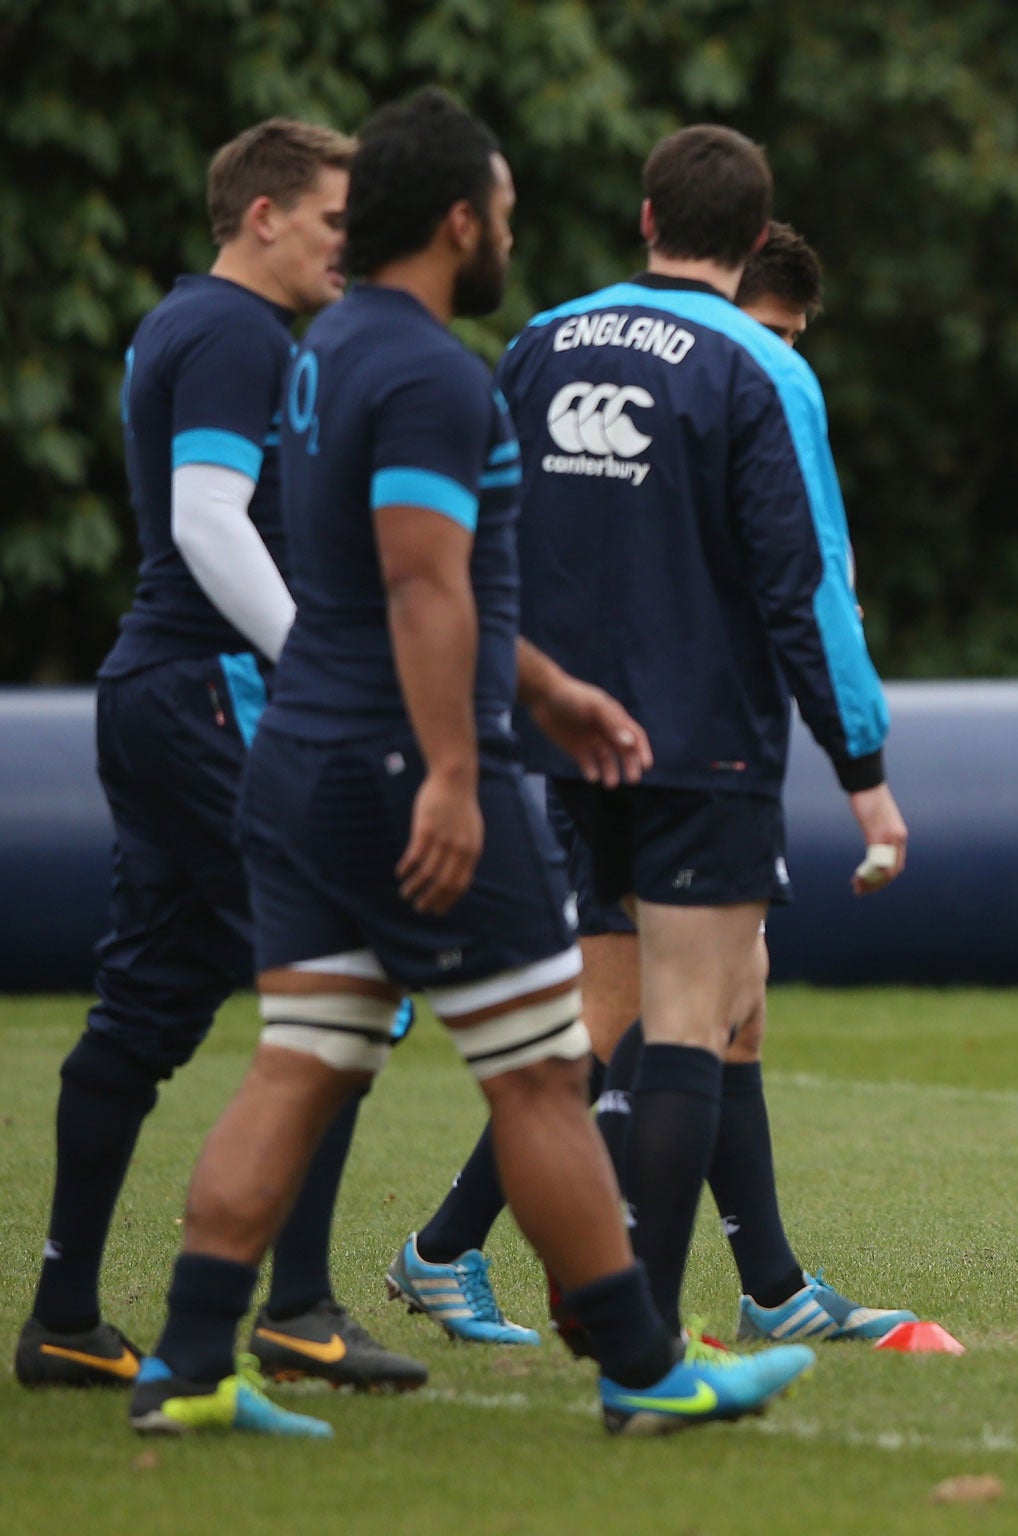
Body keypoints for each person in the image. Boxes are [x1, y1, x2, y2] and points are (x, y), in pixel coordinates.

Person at [126, 88, 814, 1439]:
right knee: (542, 1073)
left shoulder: (324, 349)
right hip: (405, 773)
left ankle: (189, 1367)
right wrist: (456, 772)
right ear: (459, 220)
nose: (513, 227)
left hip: (302, 762)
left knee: (300, 1058)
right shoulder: (436, 373)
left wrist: (551, 690)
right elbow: (428, 591)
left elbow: (404, 586)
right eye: (501, 206)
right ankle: (644, 1371)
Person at [388, 215, 915, 1345]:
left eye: (789, 336)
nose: (782, 351)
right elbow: (794, 579)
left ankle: (767, 1282)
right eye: (776, 328)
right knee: (654, 1014)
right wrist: (858, 756)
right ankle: (493, 1263)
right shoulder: (736, 373)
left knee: (733, 998)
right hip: (683, 736)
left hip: (612, 729)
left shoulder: (564, 344)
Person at [14, 119, 426, 1395]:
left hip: (156, 692)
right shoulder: (240, 332)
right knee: (351, 980)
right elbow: (205, 517)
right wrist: (321, 664)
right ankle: (295, 1309)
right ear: (262, 217)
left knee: (145, 1009)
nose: (348, 251)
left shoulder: (184, 322)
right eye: (332, 224)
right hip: (209, 693)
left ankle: (67, 1321)